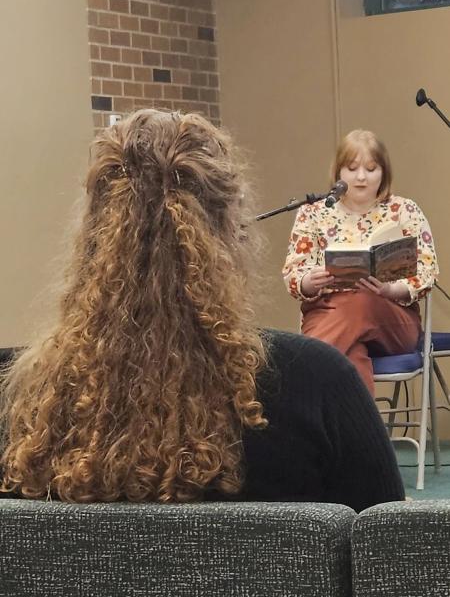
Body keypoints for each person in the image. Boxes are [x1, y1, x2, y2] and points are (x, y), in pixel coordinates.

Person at [0, 111, 404, 512]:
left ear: (92, 234)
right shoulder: (315, 386)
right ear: (231, 231)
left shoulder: (16, 405)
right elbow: (391, 553)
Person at [283, 129, 439, 395]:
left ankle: (296, 381)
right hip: (326, 314)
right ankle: (361, 437)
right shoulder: (313, 213)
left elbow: (427, 271)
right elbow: (294, 274)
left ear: (383, 172)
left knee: (361, 300)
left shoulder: (404, 210)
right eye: (352, 168)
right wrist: (310, 281)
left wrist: (391, 290)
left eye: (371, 168)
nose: (361, 177)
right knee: (350, 357)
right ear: (339, 173)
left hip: (391, 317)